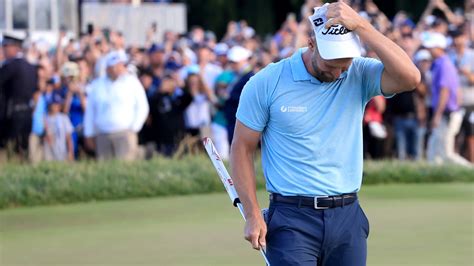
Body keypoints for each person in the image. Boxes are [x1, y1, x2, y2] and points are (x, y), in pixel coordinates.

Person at [230, 3, 420, 266]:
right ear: (311, 44)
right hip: (291, 218)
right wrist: (252, 214)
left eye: (345, 63)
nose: (340, 72)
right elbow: (242, 147)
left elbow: (410, 77)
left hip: (347, 216)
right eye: (332, 64)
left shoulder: (358, 72)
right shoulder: (267, 82)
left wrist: (363, 26)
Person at [83, 51, 149, 161]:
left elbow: (142, 106)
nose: (121, 68)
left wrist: (134, 128)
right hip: (102, 135)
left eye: (122, 65)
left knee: (126, 169)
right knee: (105, 170)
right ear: (109, 67)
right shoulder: (97, 85)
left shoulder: (131, 82)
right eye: (118, 65)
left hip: (125, 134)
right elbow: (90, 111)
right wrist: (89, 133)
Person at [424, 32, 472, 167]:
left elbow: (444, 91)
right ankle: (433, 177)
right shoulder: (441, 63)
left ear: (439, 47)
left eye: (431, 47)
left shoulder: (444, 64)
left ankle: (469, 171)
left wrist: (437, 115)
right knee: (434, 150)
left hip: (447, 114)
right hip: (448, 113)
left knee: (446, 153)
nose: (429, 50)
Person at [0, 32, 38, 160]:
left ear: (14, 47)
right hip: (27, 113)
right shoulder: (31, 67)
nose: (3, 50)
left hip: (12, 115)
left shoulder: (10, 66)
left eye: (6, 47)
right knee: (23, 151)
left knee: (12, 152)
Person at [448, 29, 474, 163]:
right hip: (454, 103)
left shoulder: (472, 55)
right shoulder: (450, 56)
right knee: (454, 135)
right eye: (455, 38)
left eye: (459, 37)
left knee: (471, 136)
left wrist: (467, 74)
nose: (457, 41)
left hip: (470, 102)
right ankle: (456, 166)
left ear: (464, 38)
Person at [43, 92, 74, 162]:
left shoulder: (64, 118)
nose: (57, 106)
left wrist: (70, 152)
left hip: (62, 153)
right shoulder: (45, 118)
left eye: (58, 104)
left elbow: (68, 137)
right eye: (55, 104)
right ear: (50, 105)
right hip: (48, 154)